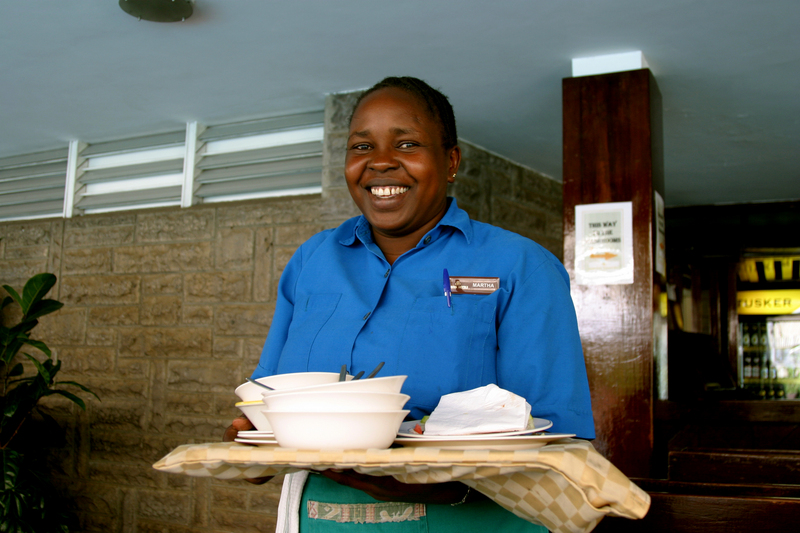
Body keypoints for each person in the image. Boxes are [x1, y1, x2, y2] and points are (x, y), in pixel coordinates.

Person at [224, 76, 594, 531]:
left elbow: (558, 441)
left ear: (451, 161)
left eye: (407, 144)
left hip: (468, 521)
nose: (380, 162)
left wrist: (440, 485)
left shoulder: (521, 266)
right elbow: (265, 403)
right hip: (319, 517)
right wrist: (251, 441)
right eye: (362, 147)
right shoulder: (312, 261)